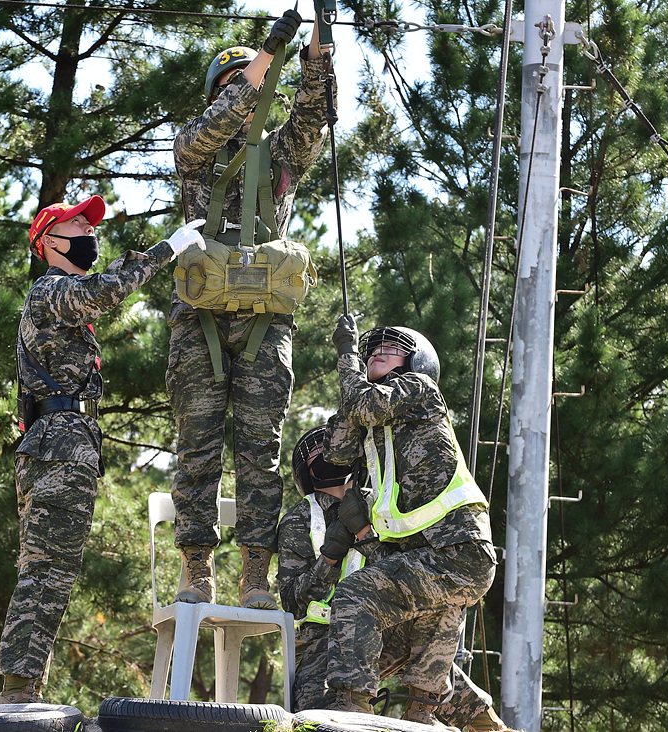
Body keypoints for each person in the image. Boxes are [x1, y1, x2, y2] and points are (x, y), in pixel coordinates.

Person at [0, 197, 205, 704]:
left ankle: (24, 685)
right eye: (77, 225)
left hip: (63, 445)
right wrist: (166, 249)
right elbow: (104, 290)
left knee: (51, 569)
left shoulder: (60, 299)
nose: (90, 232)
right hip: (59, 445)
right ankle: (19, 687)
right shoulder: (50, 290)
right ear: (48, 241)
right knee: (47, 569)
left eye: (90, 225)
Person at [167, 6, 335, 610]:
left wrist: (318, 50)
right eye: (237, 88)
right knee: (198, 447)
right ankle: (196, 567)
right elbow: (216, 123)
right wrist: (265, 54)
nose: (250, 99)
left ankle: (256, 574)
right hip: (201, 321)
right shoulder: (195, 148)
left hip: (265, 321)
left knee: (260, 450)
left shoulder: (281, 155)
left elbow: (314, 115)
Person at [317, 319, 511, 731]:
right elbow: (336, 450)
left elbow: (366, 405)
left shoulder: (419, 389)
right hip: (432, 556)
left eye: (391, 348)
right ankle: (459, 718)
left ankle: (350, 713)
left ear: (415, 361)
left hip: (459, 549)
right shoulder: (374, 421)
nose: (376, 353)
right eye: (370, 349)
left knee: (357, 595)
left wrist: (348, 356)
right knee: (395, 639)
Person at [278, 426, 514, 731]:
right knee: (317, 719)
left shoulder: (380, 504)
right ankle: (356, 713)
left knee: (442, 598)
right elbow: (292, 603)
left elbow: (405, 577)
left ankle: (445, 715)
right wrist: (330, 558)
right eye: (316, 452)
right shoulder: (299, 519)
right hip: (321, 644)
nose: (326, 452)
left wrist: (365, 533)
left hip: (384, 629)